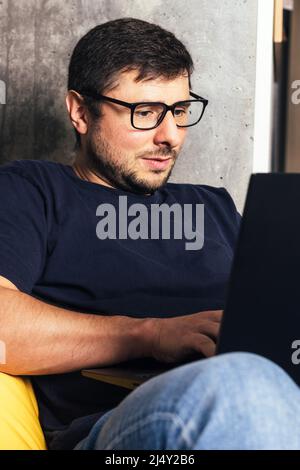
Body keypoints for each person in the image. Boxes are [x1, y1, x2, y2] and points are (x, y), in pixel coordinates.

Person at [0, 18, 300, 451]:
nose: (171, 136)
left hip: (264, 406)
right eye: (145, 113)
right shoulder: (32, 190)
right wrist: (151, 334)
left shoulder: (212, 205)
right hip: (114, 431)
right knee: (240, 388)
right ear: (81, 112)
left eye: (179, 111)